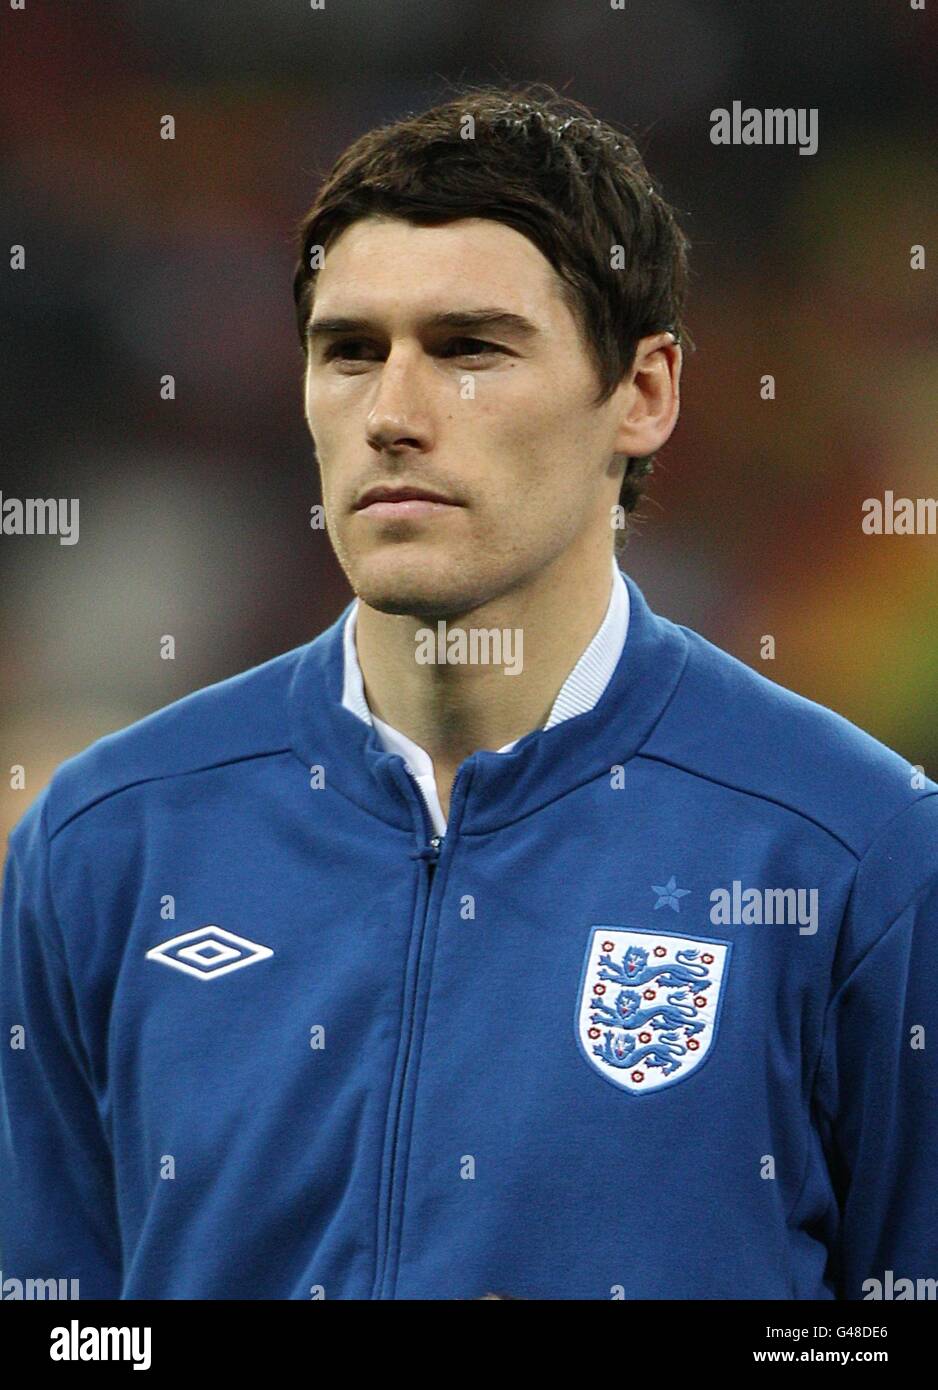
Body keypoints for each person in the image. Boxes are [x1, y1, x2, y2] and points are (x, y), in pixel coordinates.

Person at [1, 83, 936, 1302]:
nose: (391, 415)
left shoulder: (852, 851)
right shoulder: (106, 840)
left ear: (643, 395)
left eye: (468, 349)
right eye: (349, 353)